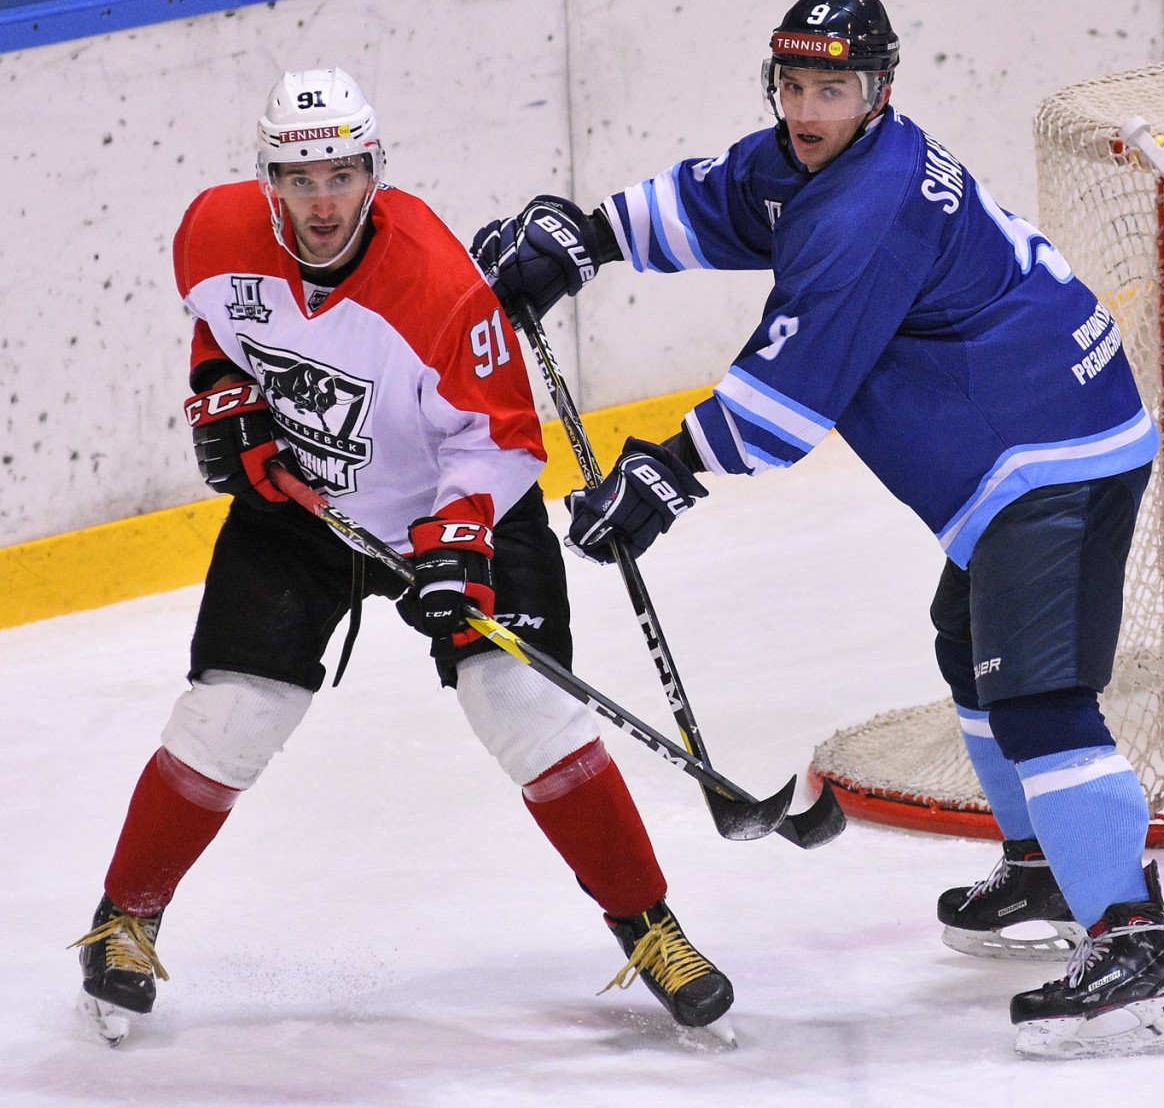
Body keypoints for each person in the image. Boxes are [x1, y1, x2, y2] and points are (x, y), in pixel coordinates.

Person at [470, 0, 1164, 1059]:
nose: (808, 110)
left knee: (1039, 696)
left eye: (834, 89)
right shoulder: (812, 159)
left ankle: (1135, 950)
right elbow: (717, 198)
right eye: (795, 86)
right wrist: (587, 238)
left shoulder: (867, 212)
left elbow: (785, 401)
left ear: (880, 93)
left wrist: (666, 471)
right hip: (1033, 434)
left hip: (1052, 449)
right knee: (970, 645)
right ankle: (1045, 867)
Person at [72, 67, 732, 1043]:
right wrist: (225, 396)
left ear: (373, 171)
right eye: (300, 179)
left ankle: (651, 927)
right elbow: (220, 329)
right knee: (231, 715)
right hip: (305, 512)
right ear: (267, 180)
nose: (322, 202)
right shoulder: (213, 233)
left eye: (341, 175)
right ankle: (122, 921)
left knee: (522, 707)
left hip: (449, 505)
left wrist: (455, 543)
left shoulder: (437, 284)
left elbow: (500, 438)